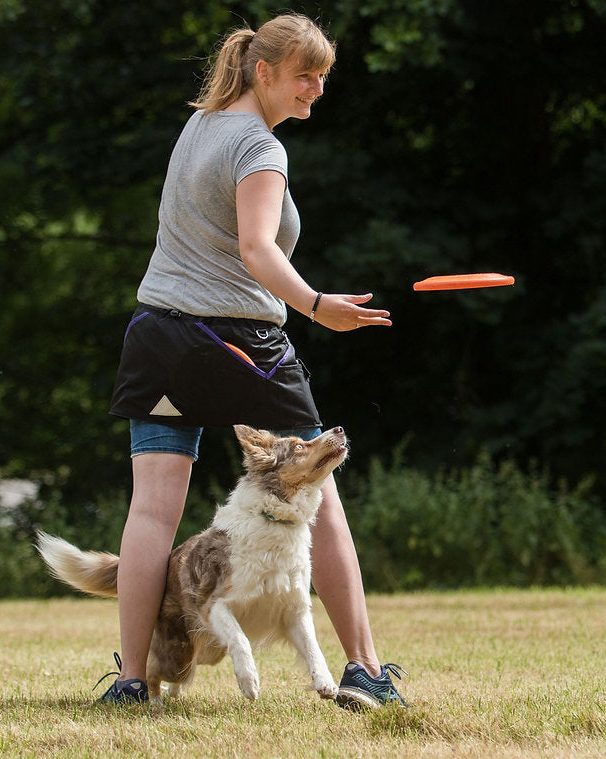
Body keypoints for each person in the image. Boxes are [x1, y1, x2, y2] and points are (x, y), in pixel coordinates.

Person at [99, 13, 404, 709]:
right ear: (262, 72)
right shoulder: (260, 149)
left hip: (155, 338)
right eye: (304, 75)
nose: (316, 88)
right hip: (238, 345)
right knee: (319, 498)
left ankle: (132, 680)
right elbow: (257, 250)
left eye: (323, 76)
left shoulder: (199, 125)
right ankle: (363, 670)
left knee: (150, 512)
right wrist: (316, 302)